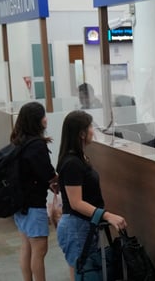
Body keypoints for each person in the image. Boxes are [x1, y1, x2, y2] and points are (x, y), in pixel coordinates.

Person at [56, 110, 127, 280]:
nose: (92, 131)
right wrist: (108, 215)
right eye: (90, 127)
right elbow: (76, 203)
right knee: (83, 272)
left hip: (81, 226)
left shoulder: (78, 158)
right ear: (81, 133)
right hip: (76, 227)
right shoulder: (72, 162)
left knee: (81, 271)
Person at [11, 101, 57, 281]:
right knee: (39, 250)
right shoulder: (36, 145)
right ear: (37, 120)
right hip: (33, 204)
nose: (46, 119)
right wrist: (55, 180)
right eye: (43, 116)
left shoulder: (17, 140)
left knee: (26, 246)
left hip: (20, 202)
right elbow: (46, 172)